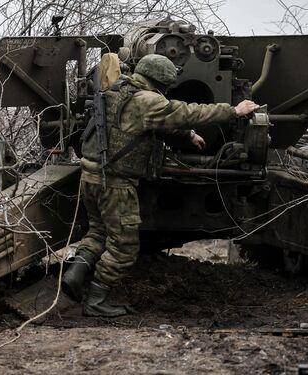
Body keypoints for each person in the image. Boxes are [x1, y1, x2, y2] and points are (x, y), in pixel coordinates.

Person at [62, 53, 259, 317]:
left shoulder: (119, 90)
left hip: (92, 177)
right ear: (161, 82)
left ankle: (74, 276)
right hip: (116, 183)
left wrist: (186, 134)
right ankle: (96, 301)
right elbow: (186, 112)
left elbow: (144, 123)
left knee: (98, 232)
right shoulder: (148, 100)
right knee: (124, 247)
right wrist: (233, 111)